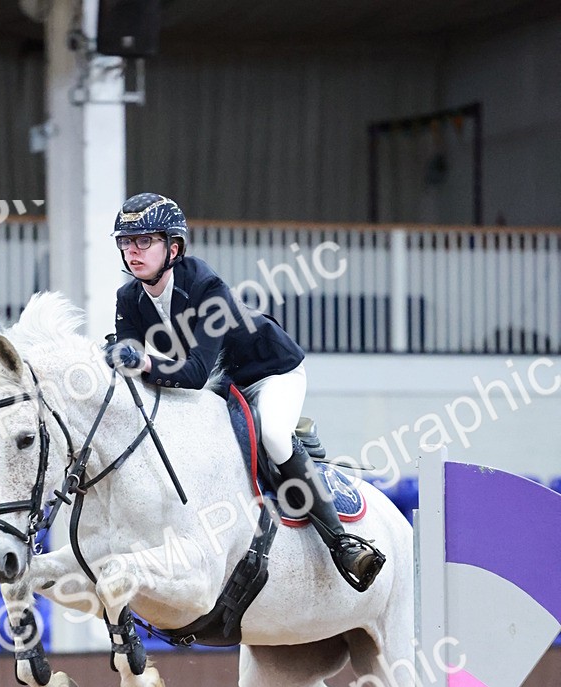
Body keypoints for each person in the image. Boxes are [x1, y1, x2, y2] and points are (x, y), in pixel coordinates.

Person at [104, 192, 384, 591]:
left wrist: (143, 361)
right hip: (226, 381)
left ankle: (342, 542)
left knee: (272, 434)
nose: (133, 251)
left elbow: (195, 372)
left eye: (144, 240)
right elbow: (130, 358)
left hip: (271, 371)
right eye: (126, 242)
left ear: (174, 246)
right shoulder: (128, 297)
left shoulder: (206, 287)